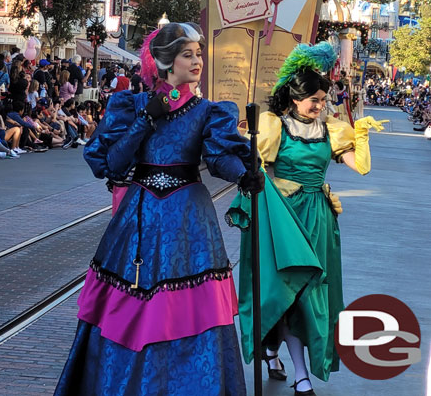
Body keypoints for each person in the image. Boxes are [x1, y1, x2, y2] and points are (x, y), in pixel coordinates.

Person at [54, 23, 263, 395]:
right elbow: (113, 165)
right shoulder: (130, 106)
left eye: (199, 53)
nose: (197, 60)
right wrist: (145, 120)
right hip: (139, 223)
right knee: (133, 310)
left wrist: (245, 173)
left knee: (190, 314)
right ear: (166, 62)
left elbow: (218, 158)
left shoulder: (208, 112)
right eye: (188, 54)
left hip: (189, 224)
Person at [227, 43, 388, 396]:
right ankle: (300, 375)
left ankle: (274, 352)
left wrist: (360, 132)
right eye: (313, 100)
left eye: (322, 100)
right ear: (294, 99)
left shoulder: (331, 130)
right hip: (283, 221)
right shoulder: (273, 127)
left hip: (318, 219)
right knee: (287, 291)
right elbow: (258, 173)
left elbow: (360, 167)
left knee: (309, 295)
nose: (319, 106)